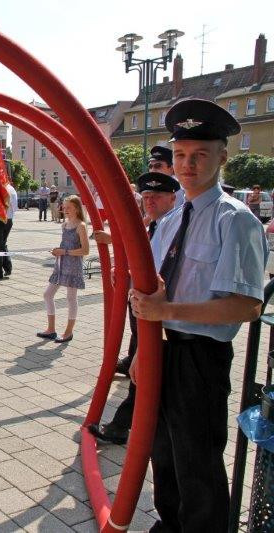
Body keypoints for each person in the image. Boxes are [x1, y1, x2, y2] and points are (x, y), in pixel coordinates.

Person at [130, 98, 266, 532]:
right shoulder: (170, 220)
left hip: (200, 357)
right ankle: (172, 525)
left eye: (200, 155)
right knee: (163, 453)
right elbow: (151, 294)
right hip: (163, 350)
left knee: (198, 460)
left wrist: (166, 310)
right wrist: (142, 352)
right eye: (182, 155)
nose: (187, 165)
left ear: (222, 157)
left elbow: (246, 306)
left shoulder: (235, 220)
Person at [87, 172, 180, 445]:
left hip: (161, 314)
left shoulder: (172, 226)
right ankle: (129, 426)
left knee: (145, 371)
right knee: (141, 365)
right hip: (144, 307)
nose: (150, 201)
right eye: (147, 196)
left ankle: (121, 425)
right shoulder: (155, 226)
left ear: (172, 198)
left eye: (157, 196)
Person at [36, 195, 89, 343]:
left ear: (77, 209)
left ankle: (68, 332)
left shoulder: (81, 226)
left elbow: (85, 250)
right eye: (64, 207)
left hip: (73, 266)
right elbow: (65, 245)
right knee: (48, 294)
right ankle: (51, 329)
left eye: (68, 208)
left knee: (71, 298)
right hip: (61, 264)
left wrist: (64, 252)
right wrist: (57, 250)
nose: (65, 210)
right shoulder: (64, 225)